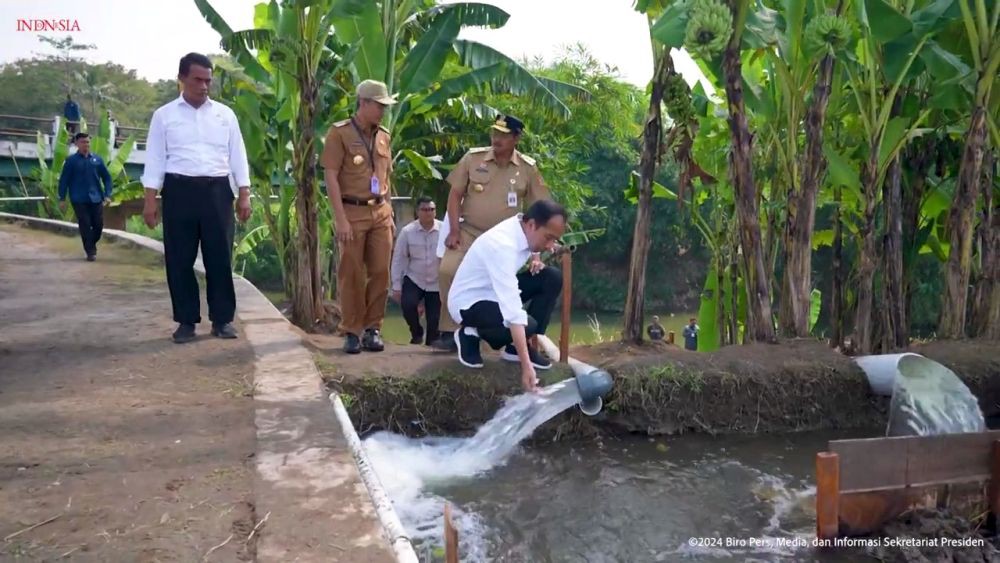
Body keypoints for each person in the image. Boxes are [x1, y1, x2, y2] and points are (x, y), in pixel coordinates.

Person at [140, 52, 253, 344]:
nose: (204, 86)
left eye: (208, 81)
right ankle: (186, 321)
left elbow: (237, 154)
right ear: (182, 79)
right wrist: (150, 200)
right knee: (179, 259)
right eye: (197, 80)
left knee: (219, 257)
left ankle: (223, 320)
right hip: (179, 191)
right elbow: (154, 159)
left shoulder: (225, 115)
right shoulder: (164, 116)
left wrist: (244, 193)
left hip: (218, 191)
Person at [433, 114, 551, 352]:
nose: (496, 139)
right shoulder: (473, 158)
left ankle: (503, 337)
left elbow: (540, 209)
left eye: (504, 135)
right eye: (494, 133)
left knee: (504, 284)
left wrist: (536, 253)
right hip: (469, 232)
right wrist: (454, 229)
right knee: (447, 270)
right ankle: (449, 331)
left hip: (504, 242)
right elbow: (455, 195)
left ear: (517, 138)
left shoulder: (527, 168)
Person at [449, 200, 567, 392]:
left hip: (495, 291)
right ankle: (470, 332)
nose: (550, 246)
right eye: (548, 238)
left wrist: (538, 254)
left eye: (555, 240)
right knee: (526, 322)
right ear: (531, 225)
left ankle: (514, 350)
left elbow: (509, 298)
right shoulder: (502, 245)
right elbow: (512, 311)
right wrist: (527, 367)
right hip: (470, 302)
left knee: (551, 277)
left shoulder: (522, 230)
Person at [321, 79, 398, 354]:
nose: (382, 111)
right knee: (351, 272)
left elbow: (386, 176)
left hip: (380, 212)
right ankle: (352, 329)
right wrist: (340, 219)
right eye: (379, 106)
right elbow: (330, 175)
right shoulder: (339, 133)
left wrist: (389, 212)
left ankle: (373, 329)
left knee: (380, 272)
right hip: (351, 211)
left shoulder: (384, 135)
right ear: (363, 103)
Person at [390, 196, 442, 345]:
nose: (428, 213)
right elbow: (398, 259)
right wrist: (396, 285)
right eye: (424, 210)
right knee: (408, 304)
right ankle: (416, 331)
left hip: (436, 282)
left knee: (434, 325)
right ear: (417, 212)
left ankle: (431, 342)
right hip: (415, 278)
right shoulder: (407, 232)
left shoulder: (444, 230)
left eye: (431, 210)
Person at [58, 132, 112, 261]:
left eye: (87, 142)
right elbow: (64, 180)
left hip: (96, 198)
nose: (85, 145)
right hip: (78, 198)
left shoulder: (97, 160)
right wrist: (62, 198)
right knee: (85, 224)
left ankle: (90, 243)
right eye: (82, 142)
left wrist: (107, 194)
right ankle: (90, 252)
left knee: (98, 225)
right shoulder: (71, 161)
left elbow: (107, 178)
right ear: (76, 144)